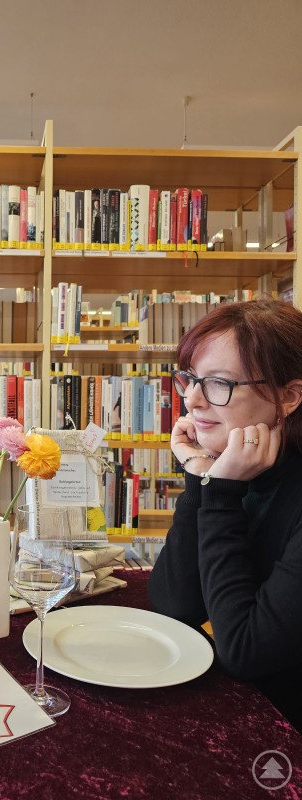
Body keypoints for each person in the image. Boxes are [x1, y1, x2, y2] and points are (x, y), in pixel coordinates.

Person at [148, 298, 302, 732]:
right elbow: (174, 606)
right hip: (248, 715)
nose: (192, 400)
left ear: (288, 397)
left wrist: (219, 493)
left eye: (218, 383)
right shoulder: (240, 469)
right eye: (191, 379)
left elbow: (246, 651)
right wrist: (202, 477)